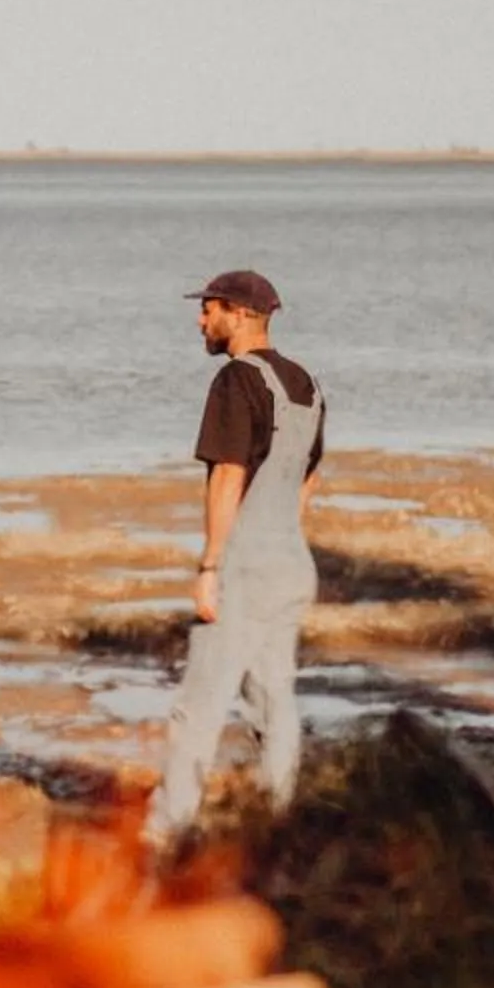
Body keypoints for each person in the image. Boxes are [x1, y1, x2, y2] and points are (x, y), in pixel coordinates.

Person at [149, 269, 325, 849]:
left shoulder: (235, 381)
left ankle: (162, 835)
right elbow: (307, 478)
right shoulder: (308, 385)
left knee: (198, 706)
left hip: (245, 566)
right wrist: (282, 537)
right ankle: (277, 827)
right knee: (275, 701)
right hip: (292, 562)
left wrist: (210, 566)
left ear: (242, 314)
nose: (201, 319)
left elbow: (227, 476)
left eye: (210, 309)